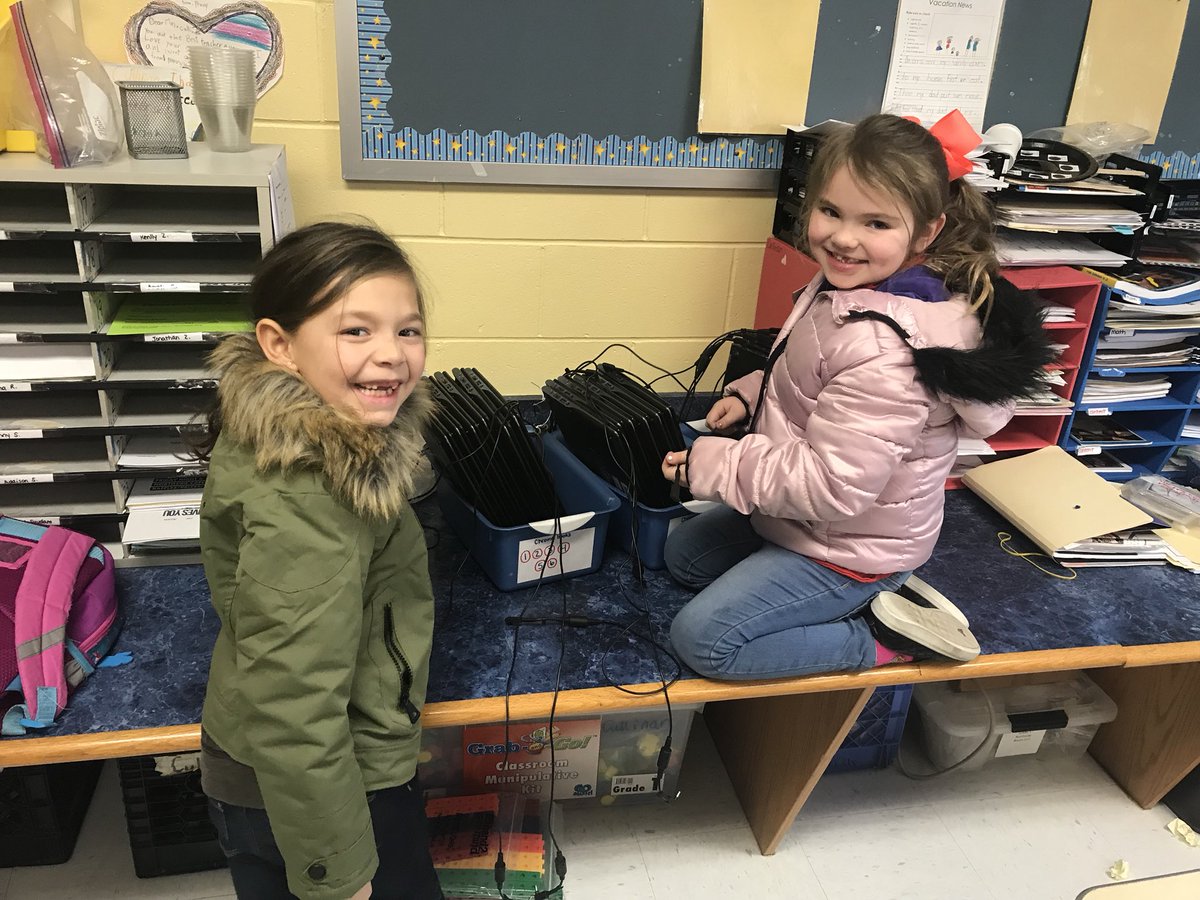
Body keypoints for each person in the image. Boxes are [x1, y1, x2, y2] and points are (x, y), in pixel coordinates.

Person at [660, 112, 1053, 681]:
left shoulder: (888, 349)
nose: (844, 238)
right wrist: (752, 394)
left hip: (853, 547)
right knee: (685, 559)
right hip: (806, 518)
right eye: (831, 211)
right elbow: (817, 375)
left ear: (926, 233)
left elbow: (833, 485)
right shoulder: (855, 282)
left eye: (876, 222)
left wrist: (714, 464)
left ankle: (886, 639)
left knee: (704, 641)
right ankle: (823, 589)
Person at [196, 221, 444, 900]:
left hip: (305, 773)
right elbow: (294, 707)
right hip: (315, 791)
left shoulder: (312, 437)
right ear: (280, 345)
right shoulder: (310, 501)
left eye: (408, 330)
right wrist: (340, 875)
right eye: (356, 331)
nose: (391, 355)